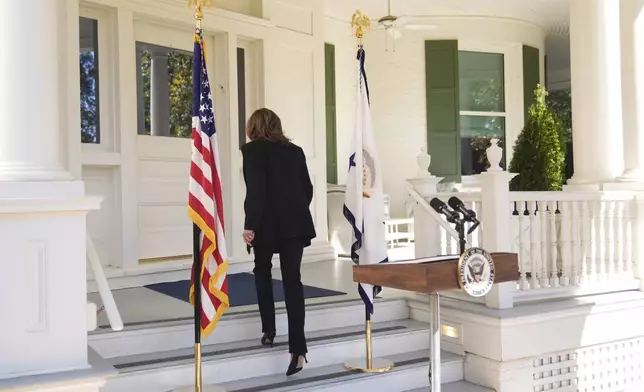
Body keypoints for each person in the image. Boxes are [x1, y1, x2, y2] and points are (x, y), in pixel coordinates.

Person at [241, 108, 316, 376]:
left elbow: (256, 191)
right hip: (295, 223)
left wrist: (250, 225)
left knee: (262, 272)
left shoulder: (252, 152)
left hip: (265, 225)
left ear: (253, 127)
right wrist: (293, 210)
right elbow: (307, 189)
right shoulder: (295, 151)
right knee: (292, 281)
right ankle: (298, 351)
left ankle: (269, 330)